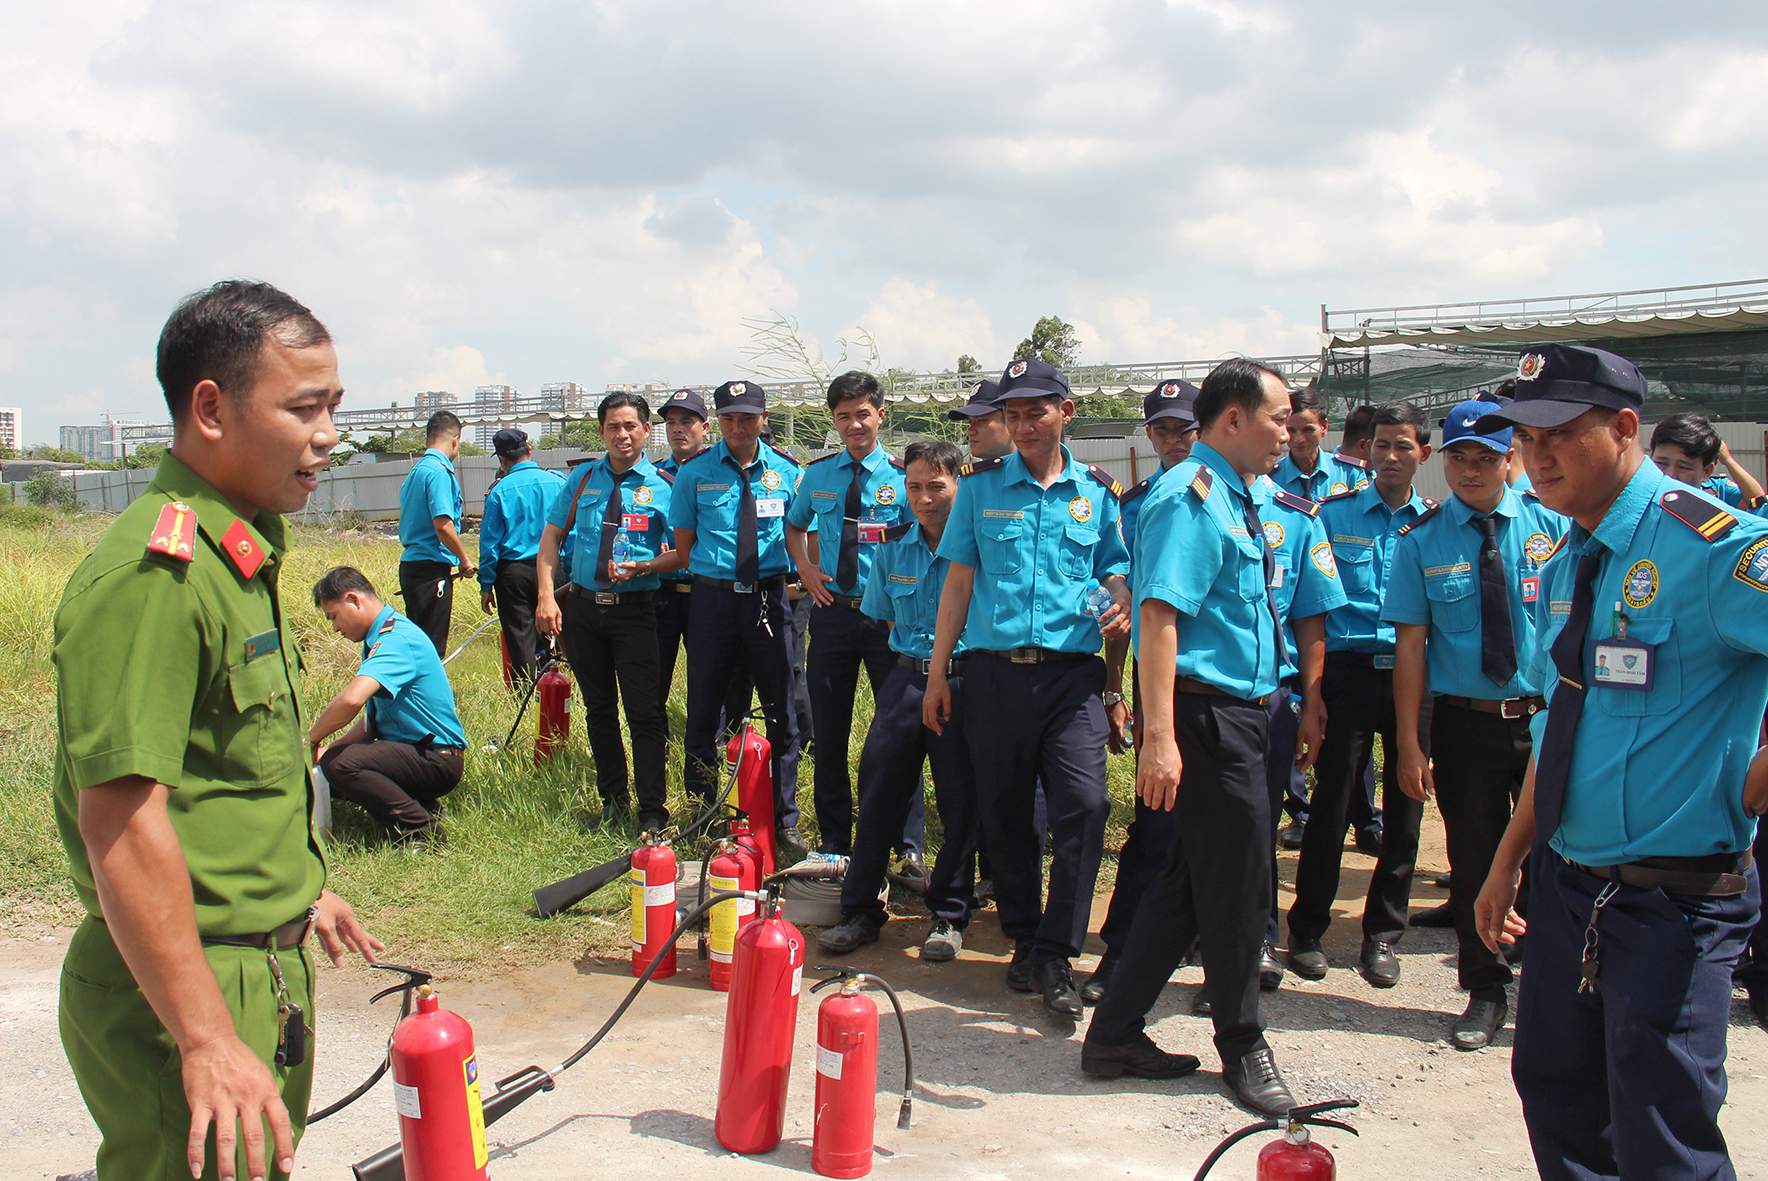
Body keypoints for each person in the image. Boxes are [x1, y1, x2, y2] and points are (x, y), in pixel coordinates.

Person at [51, 280, 380, 1181]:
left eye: (333, 407)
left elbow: (231, 776)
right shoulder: (156, 577)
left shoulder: (236, 557)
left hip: (250, 968)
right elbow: (120, 820)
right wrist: (202, 1035)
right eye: (303, 408)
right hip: (183, 990)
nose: (328, 434)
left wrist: (295, 889)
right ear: (210, 408)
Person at [1472, 343, 1768, 1180]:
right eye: (1525, 437)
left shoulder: (1713, 546)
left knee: (1661, 1132)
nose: (1537, 456)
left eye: (1560, 433)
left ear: (1625, 428)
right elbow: (1563, 724)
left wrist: (1758, 772)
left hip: (1674, 899)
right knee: (1558, 1097)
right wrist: (1508, 858)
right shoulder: (1570, 553)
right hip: (1570, 887)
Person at [1079, 357, 1300, 1118]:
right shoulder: (1191, 497)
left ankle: (1113, 1033)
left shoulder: (1234, 494)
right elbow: (1160, 616)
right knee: (1240, 887)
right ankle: (1243, 1042)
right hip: (1208, 719)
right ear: (1232, 419)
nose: (1288, 431)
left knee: (1186, 882)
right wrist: (1160, 737)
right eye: (1277, 417)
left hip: (1240, 714)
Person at [924, 357, 1131, 1020]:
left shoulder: (1097, 494)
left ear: (1065, 411)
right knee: (1006, 811)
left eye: (1036, 410)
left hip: (1072, 676)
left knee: (1085, 803)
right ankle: (1023, 934)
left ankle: (1058, 948)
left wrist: (1120, 608)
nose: (1024, 424)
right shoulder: (981, 492)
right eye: (1012, 414)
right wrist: (937, 672)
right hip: (993, 674)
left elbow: (1116, 573)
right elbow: (957, 585)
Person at [1381, 399, 1566, 1050]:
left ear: (1511, 455)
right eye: (1458, 457)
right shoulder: (1423, 541)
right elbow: (1410, 647)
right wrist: (1409, 740)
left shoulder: (1553, 526)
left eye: (1484, 457)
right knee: (1474, 856)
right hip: (1466, 725)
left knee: (1559, 853)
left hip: (1547, 718)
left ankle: (1554, 984)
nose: (1470, 470)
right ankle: (1484, 989)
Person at [1288, 401, 1436, 987]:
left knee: (1407, 806)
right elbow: (1314, 608)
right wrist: (1314, 692)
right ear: (1365, 451)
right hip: (1347, 672)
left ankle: (1383, 935)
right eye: (1381, 446)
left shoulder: (1435, 525)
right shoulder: (1333, 514)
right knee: (1332, 803)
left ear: (1423, 452)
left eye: (1403, 446)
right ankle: (1307, 929)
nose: (1391, 457)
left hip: (1412, 674)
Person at [819, 440, 979, 959]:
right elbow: (887, 618)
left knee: (958, 800)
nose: (924, 498)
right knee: (880, 792)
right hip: (906, 680)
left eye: (937, 486)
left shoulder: (978, 548)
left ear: (960, 482)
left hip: (962, 682)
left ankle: (949, 916)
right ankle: (861, 909)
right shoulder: (891, 547)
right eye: (914, 487)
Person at [1086, 378, 1200, 1004]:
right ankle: (1122, 947)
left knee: (1232, 824)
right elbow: (1121, 611)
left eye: (1185, 427)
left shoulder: (1241, 499)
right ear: (1148, 435)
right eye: (1162, 429)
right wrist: (1112, 690)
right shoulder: (1130, 508)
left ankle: (1228, 945)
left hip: (1226, 682)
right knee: (1156, 816)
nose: (1174, 439)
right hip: (1158, 680)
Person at [669, 380, 806, 848]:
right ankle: (704, 808)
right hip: (713, 600)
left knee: (780, 709)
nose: (739, 426)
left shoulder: (788, 474)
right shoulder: (694, 474)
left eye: (748, 417)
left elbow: (803, 538)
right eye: (729, 418)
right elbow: (685, 546)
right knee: (705, 706)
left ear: (763, 418)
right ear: (717, 422)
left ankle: (782, 815)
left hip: (769, 599)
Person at [535, 392, 679, 831]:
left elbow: (684, 553)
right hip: (583, 611)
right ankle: (612, 800)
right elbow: (550, 539)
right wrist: (545, 595)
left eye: (630, 426)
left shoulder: (662, 487)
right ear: (601, 432)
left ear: (646, 431)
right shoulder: (582, 480)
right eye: (613, 426)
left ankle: (652, 809)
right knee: (599, 709)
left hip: (635, 612)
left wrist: (649, 565)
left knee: (645, 712)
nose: (622, 434)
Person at [787, 371, 914, 858]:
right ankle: (836, 844)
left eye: (863, 414)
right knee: (830, 735)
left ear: (881, 415)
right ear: (834, 421)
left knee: (900, 735)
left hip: (889, 623)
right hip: (834, 615)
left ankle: (905, 845)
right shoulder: (818, 476)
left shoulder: (904, 479)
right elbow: (795, 527)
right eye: (844, 416)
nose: (854, 424)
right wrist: (807, 571)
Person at [310, 567, 468, 840]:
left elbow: (351, 700)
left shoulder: (396, 640)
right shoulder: (379, 638)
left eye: (333, 616)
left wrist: (310, 740)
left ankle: (420, 830)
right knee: (328, 766)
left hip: (436, 758)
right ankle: (420, 805)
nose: (335, 627)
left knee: (341, 764)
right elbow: (373, 722)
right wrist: (325, 751)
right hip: (415, 751)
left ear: (353, 599)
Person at [477, 427, 566, 683]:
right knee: (560, 629)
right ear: (530, 451)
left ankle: (526, 693)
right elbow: (572, 532)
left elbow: (490, 545)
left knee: (520, 635)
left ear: (502, 460)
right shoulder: (558, 482)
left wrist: (486, 585)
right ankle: (561, 683)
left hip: (514, 573)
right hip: (554, 567)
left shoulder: (499, 491)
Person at [397, 410, 472, 656]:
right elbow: (443, 525)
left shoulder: (417, 471)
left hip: (413, 567)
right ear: (454, 440)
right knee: (431, 650)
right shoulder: (439, 472)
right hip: (430, 571)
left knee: (419, 646)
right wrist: (464, 560)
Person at [1648, 410, 1766, 512]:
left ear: (1707, 472)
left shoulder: (1716, 490)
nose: (1669, 475)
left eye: (1683, 467)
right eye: (1661, 463)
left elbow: (1756, 502)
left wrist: (1728, 461)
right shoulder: (1638, 495)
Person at [1272, 385, 1370, 500]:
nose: (1299, 439)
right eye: (1291, 430)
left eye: (1308, 430)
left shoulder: (1349, 472)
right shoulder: (1270, 479)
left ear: (1324, 427)